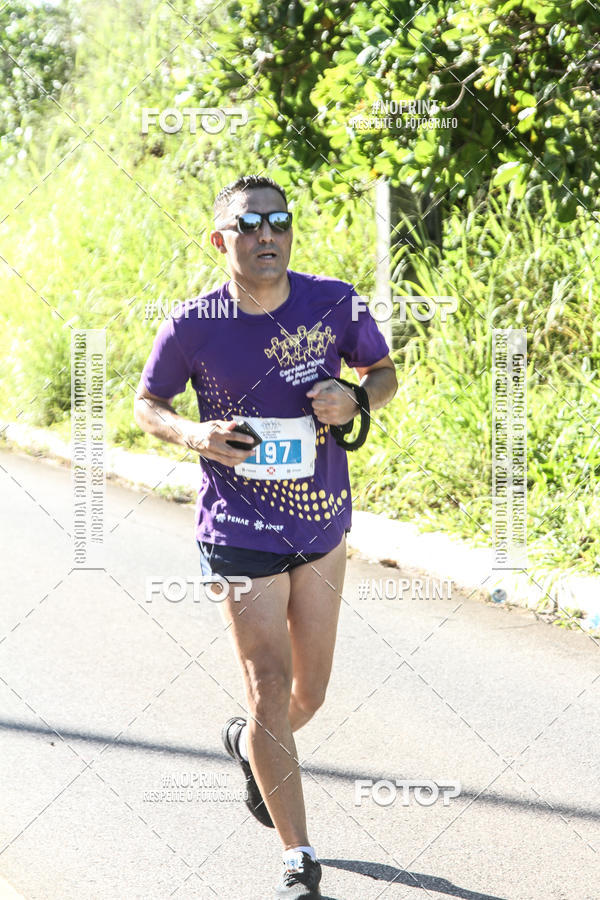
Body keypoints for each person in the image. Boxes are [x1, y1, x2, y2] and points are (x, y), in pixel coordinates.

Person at [134, 174, 397, 899]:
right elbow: (147, 403)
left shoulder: (334, 302)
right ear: (220, 240)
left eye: (278, 221)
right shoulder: (194, 324)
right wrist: (195, 433)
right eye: (248, 226)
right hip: (239, 530)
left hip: (320, 524)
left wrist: (356, 398)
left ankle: (249, 746)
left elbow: (383, 372)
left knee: (308, 695)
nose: (266, 235)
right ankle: (298, 858)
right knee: (270, 688)